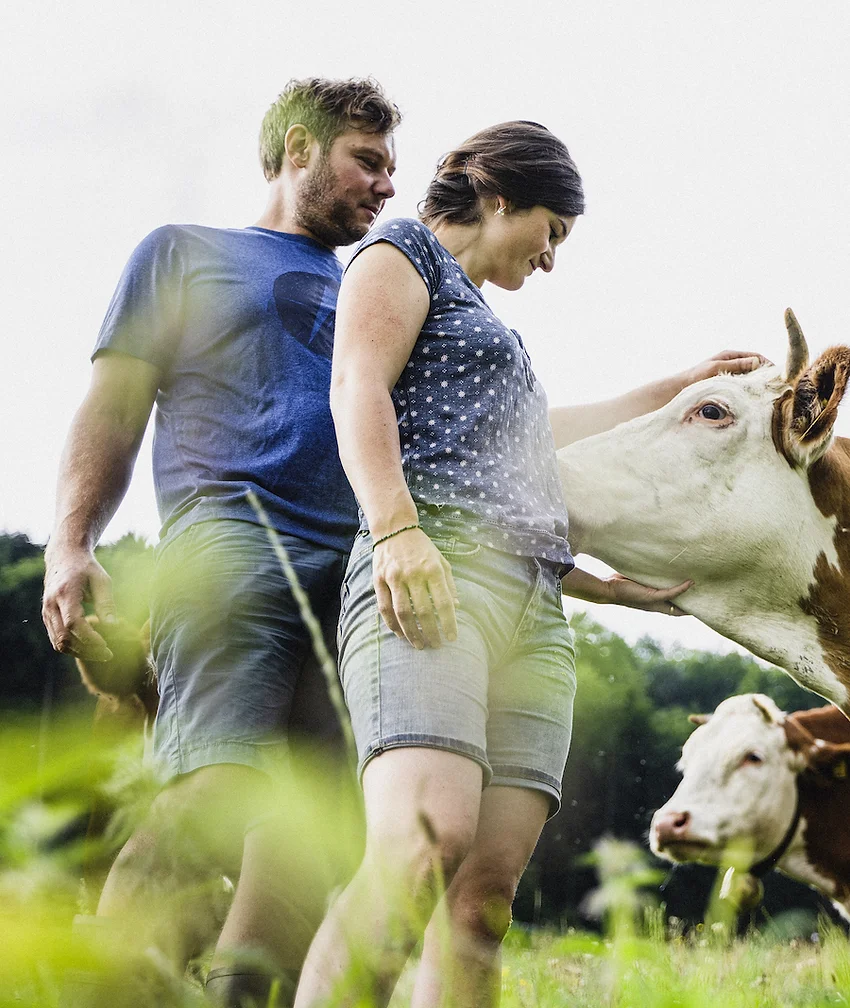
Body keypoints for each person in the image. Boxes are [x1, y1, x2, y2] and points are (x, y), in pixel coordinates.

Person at [292, 121, 767, 1008]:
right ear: (503, 195)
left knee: (481, 902)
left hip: (536, 614)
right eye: (553, 231)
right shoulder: (402, 254)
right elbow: (356, 386)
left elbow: (534, 447)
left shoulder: (492, 331)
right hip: (434, 581)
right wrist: (396, 533)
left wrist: (676, 393)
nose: (551, 259)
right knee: (418, 851)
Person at [41, 77, 400, 1007]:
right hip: (234, 547)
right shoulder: (186, 254)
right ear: (296, 147)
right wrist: (71, 543)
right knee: (207, 793)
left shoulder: (384, 284)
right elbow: (113, 406)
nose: (387, 185)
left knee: (316, 830)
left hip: (362, 577)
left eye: (393, 168)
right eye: (368, 160)